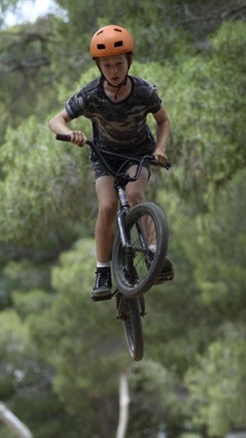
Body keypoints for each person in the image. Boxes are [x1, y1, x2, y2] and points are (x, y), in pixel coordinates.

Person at [48, 24, 173, 301]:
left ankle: (154, 253)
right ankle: (103, 270)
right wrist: (70, 133)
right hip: (104, 155)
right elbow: (55, 121)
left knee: (135, 193)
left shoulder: (142, 92)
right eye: (107, 65)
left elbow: (163, 120)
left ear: (129, 61)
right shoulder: (91, 94)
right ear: (99, 66)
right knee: (107, 207)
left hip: (138, 152)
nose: (114, 70)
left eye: (118, 63)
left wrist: (160, 148)